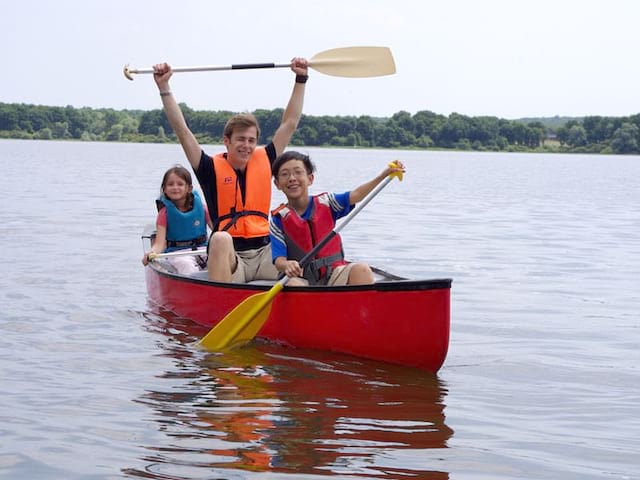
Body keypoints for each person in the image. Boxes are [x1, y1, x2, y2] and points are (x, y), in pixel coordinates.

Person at [152, 57, 309, 283]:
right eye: (240, 139)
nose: (246, 145)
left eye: (251, 140)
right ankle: (221, 303)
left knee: (297, 279)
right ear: (227, 141)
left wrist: (301, 78)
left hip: (265, 253)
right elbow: (182, 130)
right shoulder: (208, 168)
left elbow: (290, 123)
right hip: (231, 257)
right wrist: (164, 87)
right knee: (221, 238)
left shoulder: (266, 158)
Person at [269, 151, 405, 286]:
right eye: (285, 174)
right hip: (300, 278)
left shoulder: (327, 202)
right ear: (277, 184)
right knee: (293, 285)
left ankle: (360, 307)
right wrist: (287, 265)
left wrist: (383, 175)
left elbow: (357, 195)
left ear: (310, 179)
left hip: (333, 274)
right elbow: (279, 260)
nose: (292, 178)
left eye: (298, 172)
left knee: (362, 270)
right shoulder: (278, 220)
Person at [142, 165, 213, 274]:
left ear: (189, 188)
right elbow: (160, 244)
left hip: (203, 249)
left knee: (219, 260)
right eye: (170, 184)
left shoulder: (202, 207)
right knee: (187, 265)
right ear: (164, 189)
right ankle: (193, 287)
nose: (175, 187)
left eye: (180, 184)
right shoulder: (164, 213)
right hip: (177, 254)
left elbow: (216, 228)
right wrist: (151, 253)